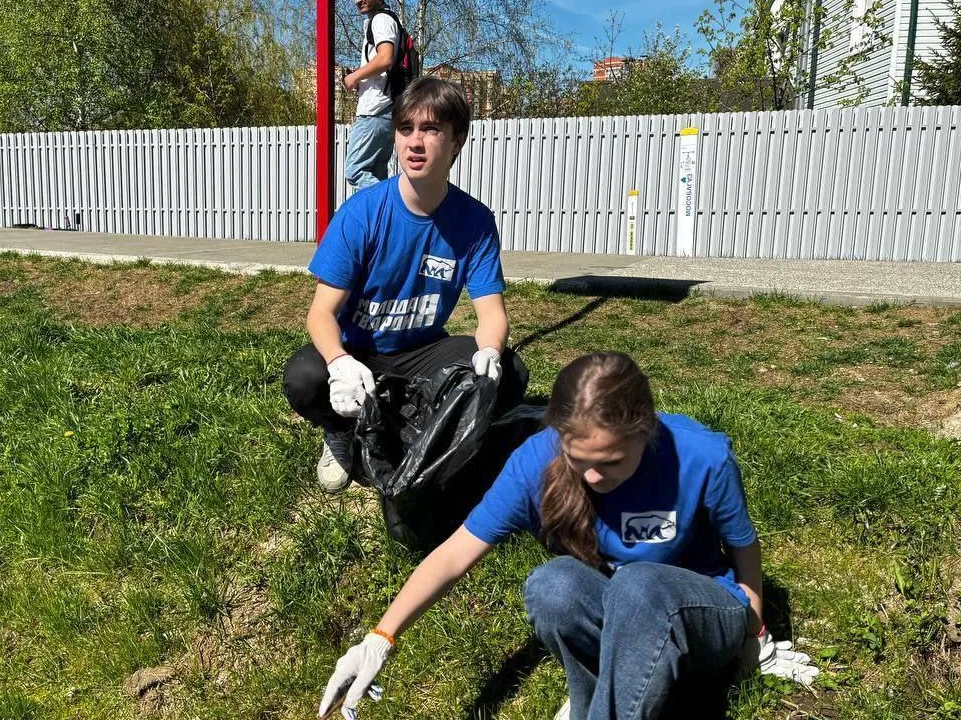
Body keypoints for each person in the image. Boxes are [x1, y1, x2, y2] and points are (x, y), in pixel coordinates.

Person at [317, 352, 820, 720]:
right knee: (551, 586)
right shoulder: (537, 460)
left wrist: (756, 634)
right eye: (580, 463)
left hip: (702, 614)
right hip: (625, 615)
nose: (594, 479)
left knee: (639, 584)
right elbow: (454, 555)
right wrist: (380, 637)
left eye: (611, 463)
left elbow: (743, 547)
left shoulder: (701, 456)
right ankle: (597, 698)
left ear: (646, 430)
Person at [282, 77, 529, 494]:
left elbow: (491, 313)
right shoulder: (361, 213)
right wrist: (340, 363)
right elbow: (320, 313)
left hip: (420, 351)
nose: (415, 142)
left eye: (431, 130)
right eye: (406, 129)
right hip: (360, 349)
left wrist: (489, 350)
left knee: (509, 373)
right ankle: (339, 434)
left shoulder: (474, 221)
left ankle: (429, 436)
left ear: (457, 142)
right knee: (305, 377)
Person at [342, 0, 398, 189]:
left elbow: (385, 58)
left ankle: (390, 206)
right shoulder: (383, 19)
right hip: (386, 109)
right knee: (376, 172)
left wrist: (354, 76)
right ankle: (381, 218)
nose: (357, 1)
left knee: (355, 170)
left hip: (376, 110)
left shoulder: (381, 19)